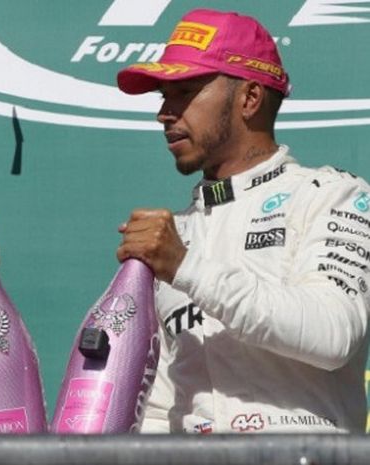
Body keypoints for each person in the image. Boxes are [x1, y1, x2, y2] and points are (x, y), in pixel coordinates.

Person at [115, 9, 370, 433]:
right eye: (163, 95)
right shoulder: (175, 234)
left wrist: (187, 267)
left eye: (184, 92)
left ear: (249, 99)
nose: (164, 112)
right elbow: (160, 404)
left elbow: (333, 335)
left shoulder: (333, 196)